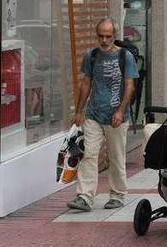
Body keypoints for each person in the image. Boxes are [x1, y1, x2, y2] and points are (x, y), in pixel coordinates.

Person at [67, 18, 138, 212]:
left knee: (116, 157)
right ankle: (84, 197)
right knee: (88, 154)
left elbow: (130, 86)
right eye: (101, 36)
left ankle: (117, 194)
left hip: (116, 116)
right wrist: (80, 110)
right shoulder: (91, 55)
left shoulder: (125, 56)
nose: (104, 40)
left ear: (114, 36)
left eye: (108, 36)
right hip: (93, 114)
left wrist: (121, 110)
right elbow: (86, 83)